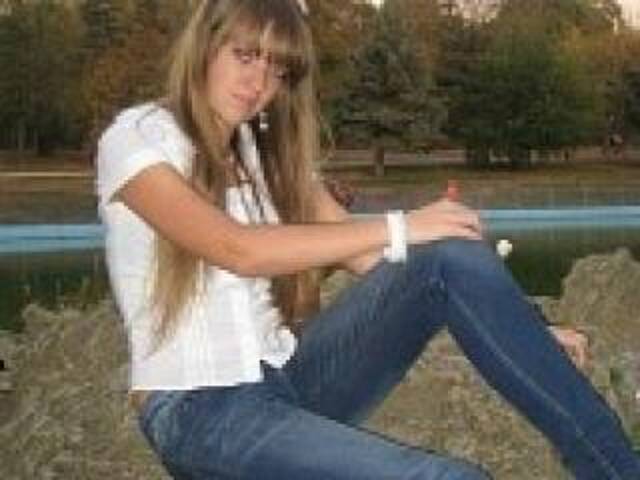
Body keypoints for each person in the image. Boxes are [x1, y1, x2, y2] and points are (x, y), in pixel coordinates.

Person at [95, 1, 639, 478]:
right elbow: (238, 249)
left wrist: (527, 327)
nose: (258, 82)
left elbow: (369, 257)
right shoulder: (138, 139)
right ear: (205, 46)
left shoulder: (266, 158)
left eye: (276, 69)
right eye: (245, 56)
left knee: (447, 256)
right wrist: (405, 224)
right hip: (198, 413)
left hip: (290, 379)